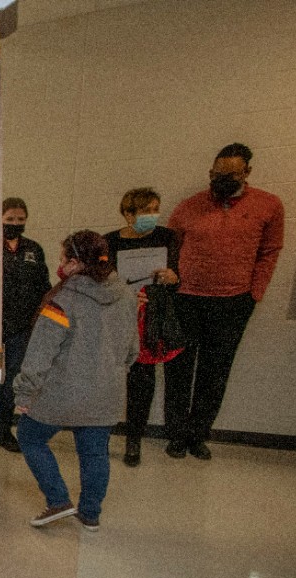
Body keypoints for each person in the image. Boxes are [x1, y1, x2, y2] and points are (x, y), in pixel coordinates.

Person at [164, 143, 284, 460]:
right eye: (217, 174)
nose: (222, 179)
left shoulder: (268, 206)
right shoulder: (189, 206)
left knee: (215, 372)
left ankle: (197, 435)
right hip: (186, 299)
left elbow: (269, 252)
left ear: (246, 173)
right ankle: (175, 435)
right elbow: (169, 249)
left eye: (230, 174)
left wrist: (254, 293)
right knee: (178, 368)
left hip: (233, 302)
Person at [14, 230, 138, 531]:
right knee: (95, 452)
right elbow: (132, 350)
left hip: (62, 393)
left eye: (62, 258)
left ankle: (58, 500)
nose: (59, 264)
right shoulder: (127, 295)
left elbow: (40, 354)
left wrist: (24, 394)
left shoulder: (61, 303)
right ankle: (90, 514)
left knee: (30, 437)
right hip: (107, 393)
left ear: (75, 262)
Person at [103, 188, 183, 467]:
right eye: (145, 210)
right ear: (128, 214)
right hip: (118, 314)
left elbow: (180, 276)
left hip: (152, 315)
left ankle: (133, 438)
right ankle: (98, 432)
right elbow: (100, 281)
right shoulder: (109, 242)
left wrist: (174, 277)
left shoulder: (167, 237)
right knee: (109, 376)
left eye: (155, 209)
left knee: (142, 380)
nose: (152, 215)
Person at [0, 197, 52, 452]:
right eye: (10, 220)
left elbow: (44, 286)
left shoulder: (33, 249)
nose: (15, 224)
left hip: (21, 326)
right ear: (0, 219)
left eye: (20, 219)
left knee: (11, 381)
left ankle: (3, 431)